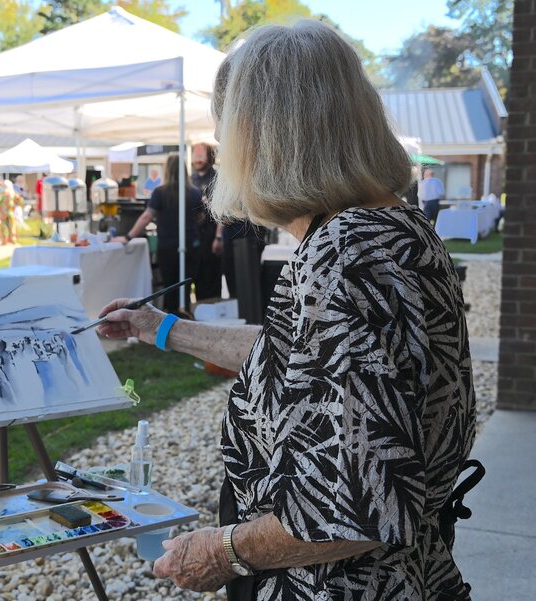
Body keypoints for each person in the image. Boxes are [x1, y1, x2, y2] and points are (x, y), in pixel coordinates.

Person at [98, 21, 476, 600]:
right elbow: (304, 360)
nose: (225, 159)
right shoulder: (393, 229)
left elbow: (360, 499)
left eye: (229, 139)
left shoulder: (345, 254)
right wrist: (163, 329)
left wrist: (224, 551)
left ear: (268, 140)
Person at [116, 154, 202, 314]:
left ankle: (171, 321)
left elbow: (147, 216)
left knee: (170, 287)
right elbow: (200, 217)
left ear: (167, 170)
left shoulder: (160, 192)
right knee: (186, 286)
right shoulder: (195, 193)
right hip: (191, 245)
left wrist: (128, 237)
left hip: (167, 246)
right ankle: (186, 316)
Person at [191, 143, 222, 301]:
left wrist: (218, 237)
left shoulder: (217, 178)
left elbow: (223, 210)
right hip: (196, 238)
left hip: (212, 236)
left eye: (201, 155)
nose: (197, 159)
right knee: (198, 276)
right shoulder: (191, 179)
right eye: (195, 155)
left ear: (209, 157)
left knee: (212, 277)